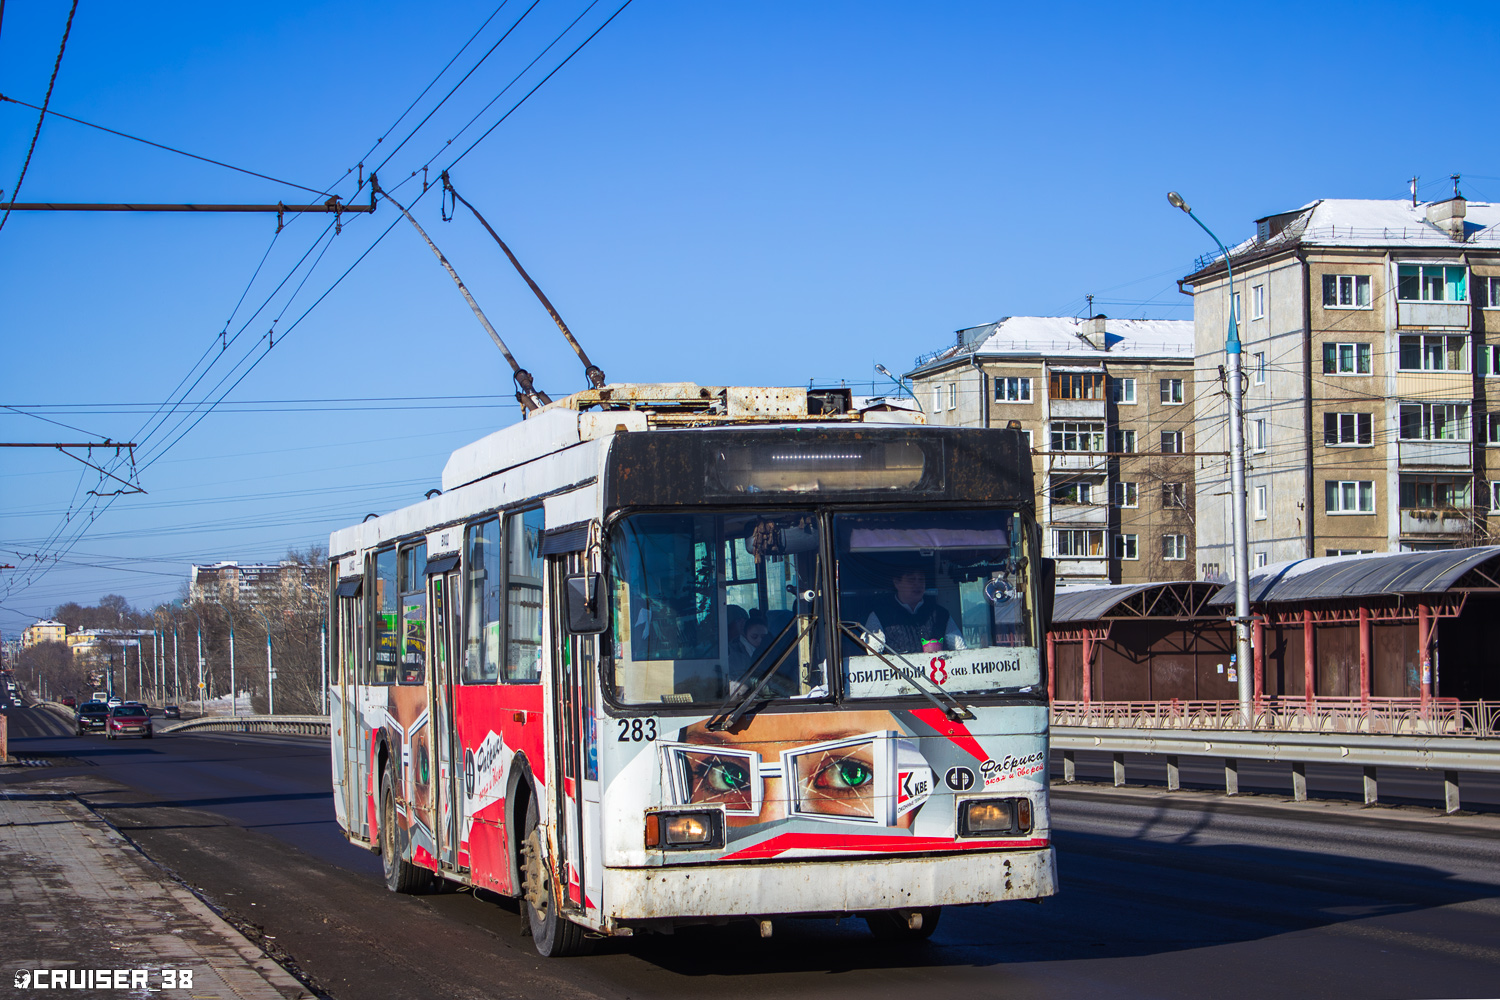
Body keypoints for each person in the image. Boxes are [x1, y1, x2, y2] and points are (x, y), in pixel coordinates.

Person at [863, 564, 965, 654]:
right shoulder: (880, 615)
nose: (917, 584)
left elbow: (961, 649)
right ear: (897, 582)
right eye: (911, 579)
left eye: (921, 580)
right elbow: (872, 653)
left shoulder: (940, 614)